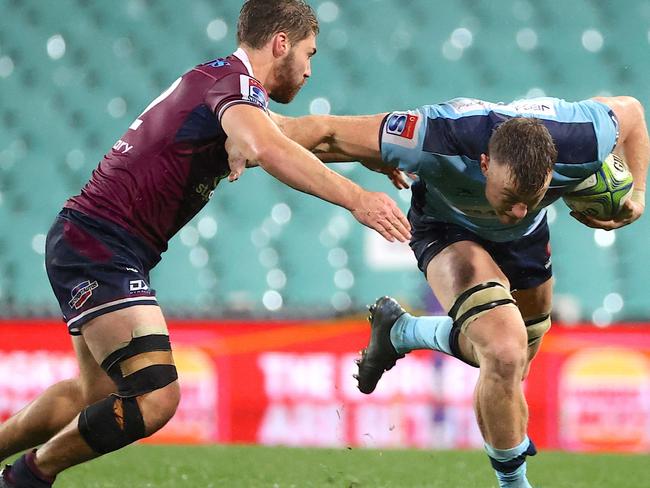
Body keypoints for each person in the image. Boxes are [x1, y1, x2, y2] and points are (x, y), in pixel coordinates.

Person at [0, 1, 411, 486]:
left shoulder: (227, 91)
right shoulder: (232, 87)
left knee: (96, 395)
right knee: (155, 396)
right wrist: (357, 199)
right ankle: (24, 479)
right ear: (280, 42)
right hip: (100, 244)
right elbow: (268, 147)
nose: (309, 70)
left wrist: (369, 152)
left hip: (92, 238)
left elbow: (310, 135)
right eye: (308, 53)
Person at [247, 96, 649, 488]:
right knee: (504, 351)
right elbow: (327, 133)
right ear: (485, 163)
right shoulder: (435, 135)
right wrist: (245, 139)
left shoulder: (582, 137)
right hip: (448, 230)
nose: (517, 209)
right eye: (510, 197)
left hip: (525, 243)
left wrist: (637, 196)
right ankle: (514, 482)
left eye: (533, 197)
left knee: (511, 364)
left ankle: (403, 332)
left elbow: (631, 112)